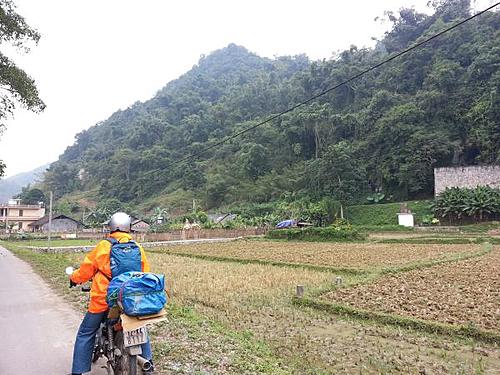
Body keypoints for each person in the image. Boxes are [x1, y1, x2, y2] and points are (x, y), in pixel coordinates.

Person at [69, 212, 152, 375]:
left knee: (86, 332)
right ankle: (149, 365)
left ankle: (78, 371)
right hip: (130, 298)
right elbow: (145, 272)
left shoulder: (104, 246)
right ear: (129, 227)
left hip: (104, 299)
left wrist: (74, 278)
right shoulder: (137, 247)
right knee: (139, 326)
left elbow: (86, 271)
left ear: (111, 227)